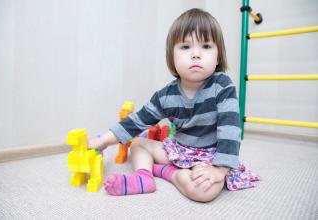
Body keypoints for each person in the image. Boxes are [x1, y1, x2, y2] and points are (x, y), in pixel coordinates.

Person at [89, 8, 260, 202]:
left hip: (211, 157)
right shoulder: (165, 96)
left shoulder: (222, 86)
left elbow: (230, 129)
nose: (196, 54)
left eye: (206, 46)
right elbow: (135, 122)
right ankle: (144, 177)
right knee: (137, 144)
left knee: (204, 191)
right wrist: (103, 140)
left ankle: (169, 173)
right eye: (186, 47)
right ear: (172, 56)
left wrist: (219, 169)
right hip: (179, 151)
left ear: (218, 55)